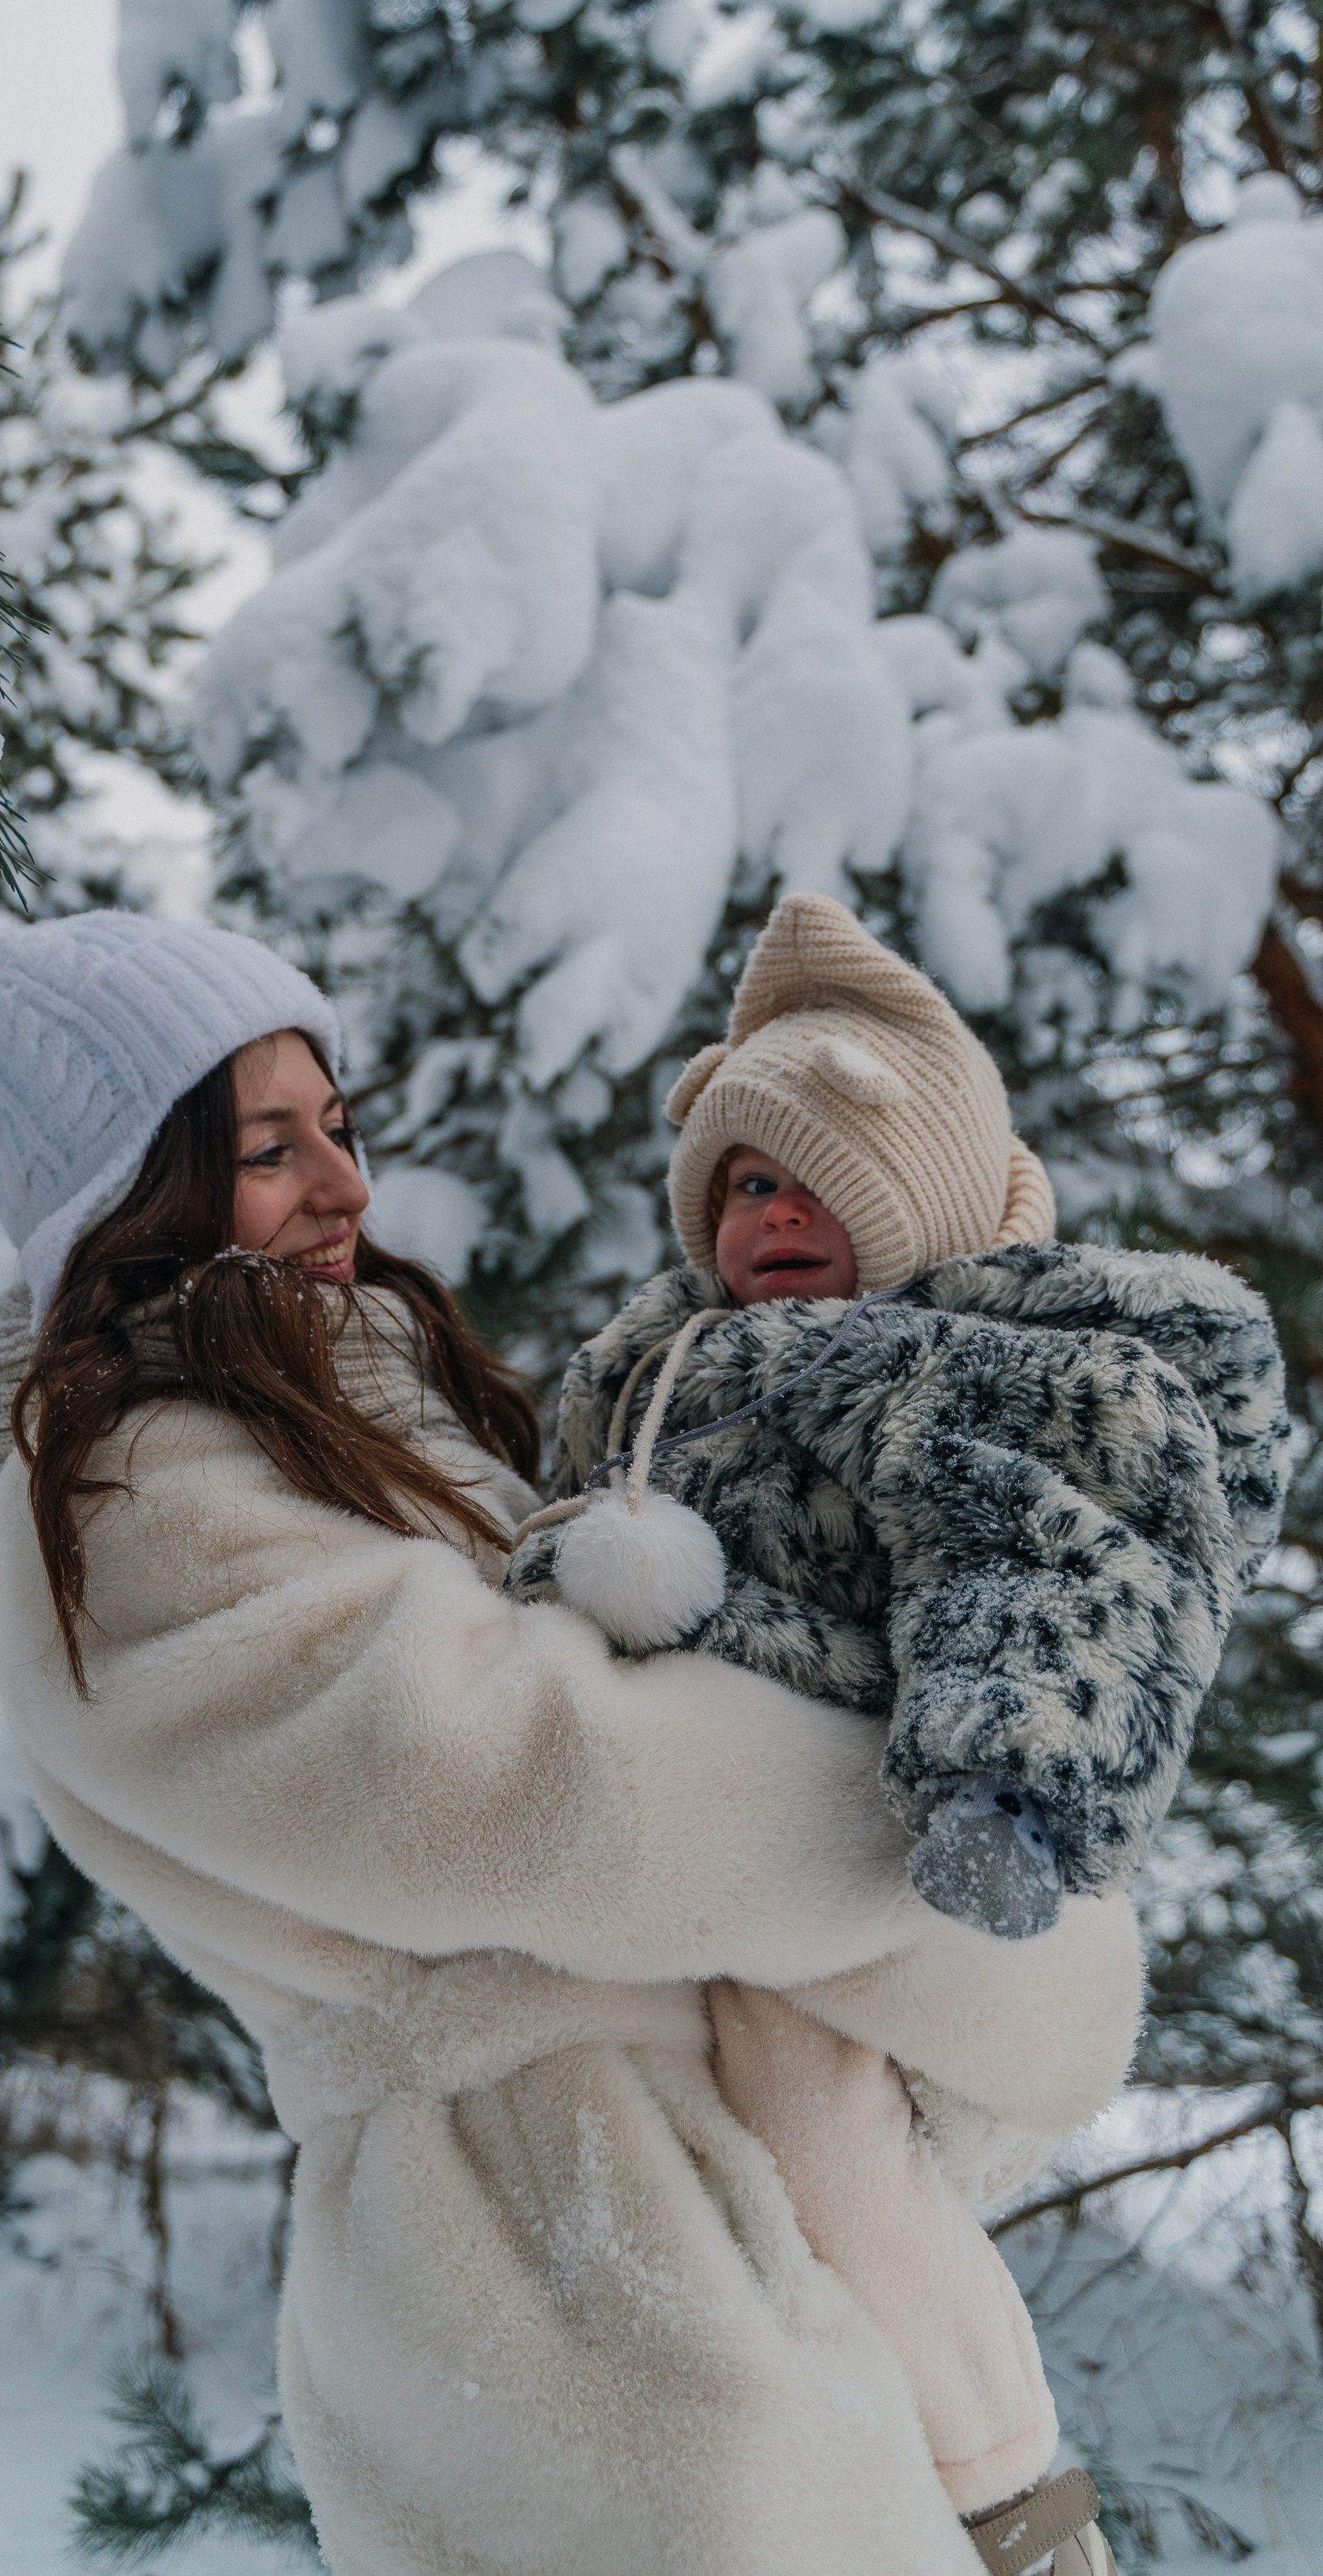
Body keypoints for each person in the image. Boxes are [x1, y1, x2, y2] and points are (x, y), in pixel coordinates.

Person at [0, 907, 1144, 2576]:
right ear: (131, 1192)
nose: (343, 1184)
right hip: (544, 2262)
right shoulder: (131, 1486)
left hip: (702, 2218)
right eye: (264, 1148)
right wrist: (950, 1861)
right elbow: (551, 1791)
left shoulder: (378, 1419)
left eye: (337, 1126)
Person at [511, 890, 1290, 2561]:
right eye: (742, 1184)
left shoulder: (973, 1365)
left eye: (812, 1181)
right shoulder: (650, 1364)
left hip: (888, 1843)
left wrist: (1000, 1781)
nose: (769, 1216)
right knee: (660, 2190)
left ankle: (1009, 2499)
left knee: (814, 2124)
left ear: (917, 1195)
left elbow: (1045, 1561)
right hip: (678, 1850)